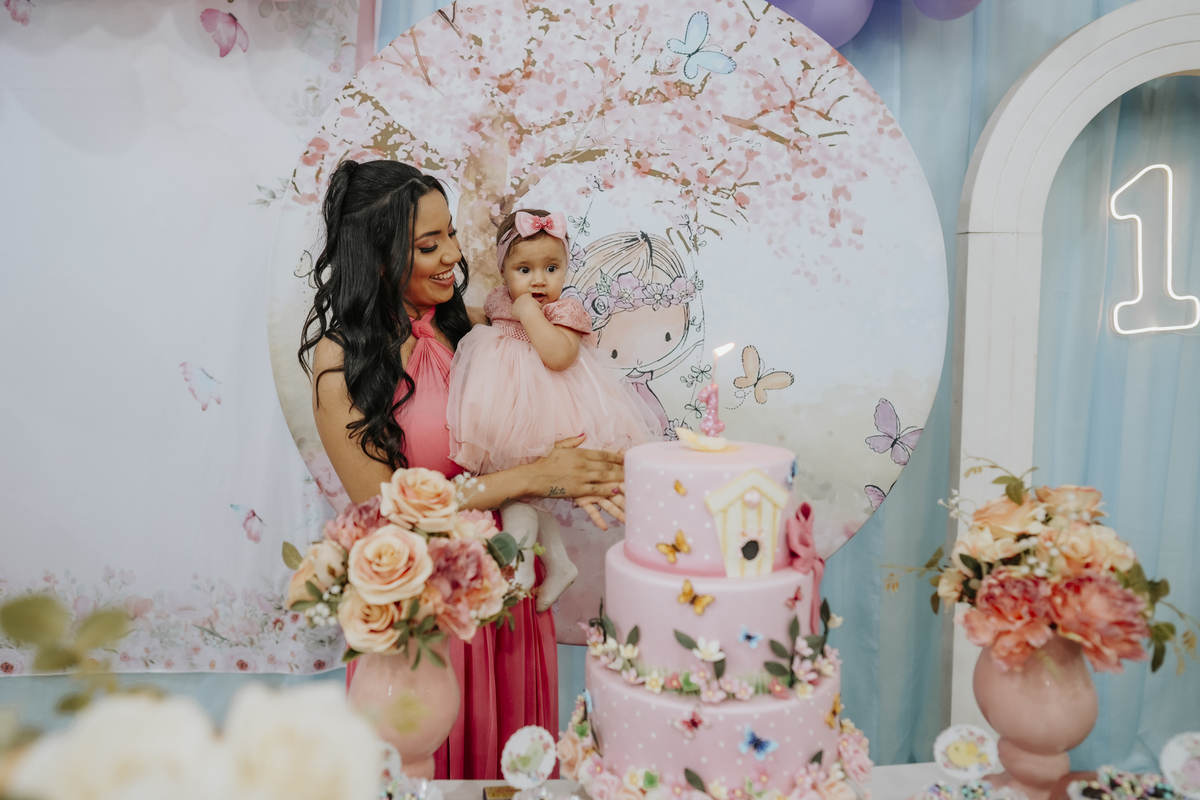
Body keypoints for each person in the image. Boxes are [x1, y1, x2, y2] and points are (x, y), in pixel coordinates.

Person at [297, 160, 626, 778]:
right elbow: (387, 509)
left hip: (510, 588)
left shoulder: (475, 326)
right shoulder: (343, 362)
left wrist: (588, 465)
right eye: (429, 244)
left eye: (450, 233)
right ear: (377, 257)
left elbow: (553, 399)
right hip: (426, 606)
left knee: (513, 773)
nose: (453, 253)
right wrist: (534, 477)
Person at [446, 210, 660, 612]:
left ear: (565, 268)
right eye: (524, 270)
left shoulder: (565, 311)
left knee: (526, 488)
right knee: (518, 487)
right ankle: (555, 563)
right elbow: (479, 322)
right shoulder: (498, 301)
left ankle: (522, 566)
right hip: (507, 409)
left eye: (551, 268)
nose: (539, 280)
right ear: (503, 271)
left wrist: (529, 313)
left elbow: (559, 356)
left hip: (550, 411)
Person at [568, 231, 703, 436]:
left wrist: (690, 353)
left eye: (667, 336)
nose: (639, 359)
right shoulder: (602, 378)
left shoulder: (641, 376)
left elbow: (664, 368)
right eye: (613, 352)